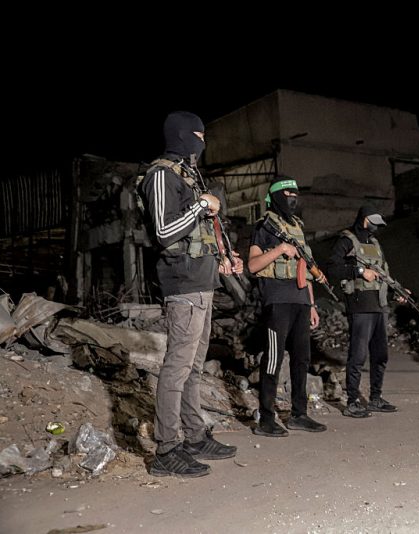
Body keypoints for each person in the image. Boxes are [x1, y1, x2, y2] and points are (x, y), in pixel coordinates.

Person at [138, 111, 243, 478]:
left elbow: (201, 231)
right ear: (182, 135)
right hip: (182, 285)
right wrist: (202, 204)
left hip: (203, 281)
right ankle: (167, 450)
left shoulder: (186, 173)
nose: (203, 141)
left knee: (193, 368)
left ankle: (195, 437)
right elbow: (165, 231)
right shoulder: (161, 175)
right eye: (198, 134)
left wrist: (226, 258)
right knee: (176, 368)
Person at [247, 178, 327, 436]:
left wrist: (312, 304)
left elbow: (304, 268)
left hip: (301, 301)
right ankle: (266, 419)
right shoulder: (265, 227)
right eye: (287, 193)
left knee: (302, 360)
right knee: (273, 360)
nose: (292, 197)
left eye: (295, 193)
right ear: (276, 197)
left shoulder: (298, 227)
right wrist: (280, 248)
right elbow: (252, 265)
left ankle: (299, 414)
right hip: (277, 301)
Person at [326, 205, 399, 418]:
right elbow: (332, 268)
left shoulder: (375, 243)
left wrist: (397, 293)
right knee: (358, 355)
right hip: (360, 306)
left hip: (379, 305)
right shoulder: (347, 240)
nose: (376, 227)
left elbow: (384, 274)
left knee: (380, 355)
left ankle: (376, 398)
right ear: (366, 220)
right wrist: (358, 271)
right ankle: (352, 402)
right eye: (374, 222)